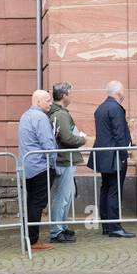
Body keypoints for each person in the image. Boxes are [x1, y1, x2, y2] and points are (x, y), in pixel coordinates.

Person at [89, 81, 135, 238]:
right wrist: (124, 153)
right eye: (123, 92)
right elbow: (119, 133)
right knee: (114, 190)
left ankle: (107, 225)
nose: (124, 95)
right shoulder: (115, 108)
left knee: (106, 189)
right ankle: (114, 227)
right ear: (118, 93)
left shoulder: (101, 107)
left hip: (104, 155)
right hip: (114, 156)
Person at [18, 91, 58, 251]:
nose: (50, 103)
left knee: (30, 203)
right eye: (48, 100)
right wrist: (53, 164)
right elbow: (48, 143)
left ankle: (28, 237)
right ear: (38, 101)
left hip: (27, 167)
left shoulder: (25, 116)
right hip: (40, 167)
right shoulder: (40, 118)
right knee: (37, 204)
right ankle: (32, 241)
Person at [47, 83, 87, 244]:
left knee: (66, 196)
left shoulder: (57, 113)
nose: (71, 96)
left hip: (64, 159)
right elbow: (67, 138)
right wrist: (82, 139)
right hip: (64, 160)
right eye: (70, 93)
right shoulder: (60, 114)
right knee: (62, 197)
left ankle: (61, 227)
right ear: (64, 95)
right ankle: (57, 231)